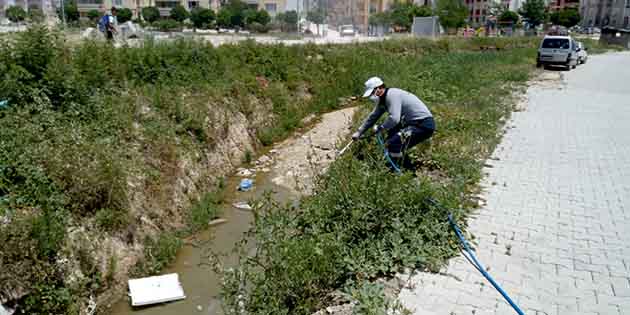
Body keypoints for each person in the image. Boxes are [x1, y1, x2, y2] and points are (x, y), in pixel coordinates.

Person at [352, 77, 436, 169]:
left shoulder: (392, 95)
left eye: (372, 93)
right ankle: (400, 166)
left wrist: (381, 128)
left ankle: (403, 170)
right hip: (413, 124)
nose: (372, 96)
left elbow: (394, 118)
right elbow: (373, 117)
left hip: (422, 124)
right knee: (393, 138)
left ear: (379, 88)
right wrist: (359, 132)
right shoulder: (383, 100)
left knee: (394, 143)